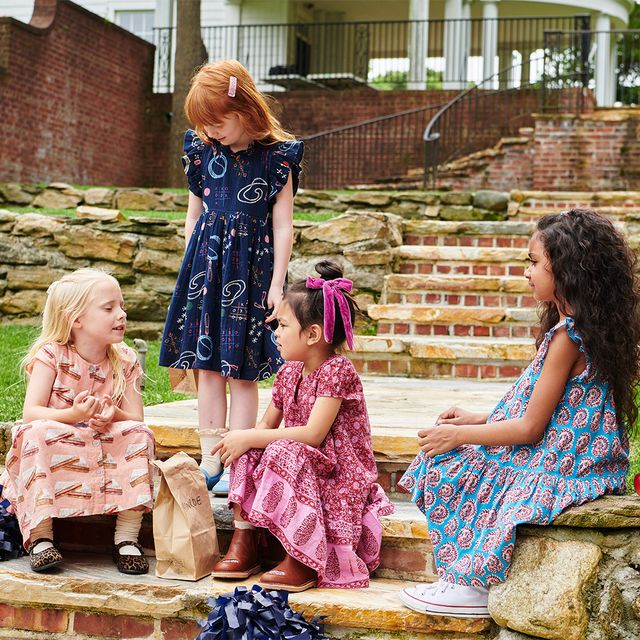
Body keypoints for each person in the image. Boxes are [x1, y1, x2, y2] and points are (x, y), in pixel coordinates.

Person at [399, 209, 639, 618]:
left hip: (566, 462)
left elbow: (530, 427)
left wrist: (458, 437)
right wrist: (478, 419)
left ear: (566, 268)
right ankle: (462, 573)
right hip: (568, 451)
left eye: (533, 262)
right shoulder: (583, 326)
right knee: (462, 458)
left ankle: (473, 584)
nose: (526, 272)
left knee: (452, 464)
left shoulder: (568, 337)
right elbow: (544, 407)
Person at [158, 59, 304, 494]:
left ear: (243, 110)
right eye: (203, 124)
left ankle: (238, 461)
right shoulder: (201, 151)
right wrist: (193, 270)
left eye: (217, 121)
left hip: (253, 272)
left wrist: (277, 284)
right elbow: (193, 215)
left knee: (241, 369)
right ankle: (210, 458)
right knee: (207, 370)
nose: (211, 131)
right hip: (208, 269)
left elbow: (282, 225)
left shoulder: (278, 158)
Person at [209, 261, 394, 591]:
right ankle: (245, 541)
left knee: (278, 446)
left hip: (339, 471)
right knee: (249, 445)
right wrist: (244, 439)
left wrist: (255, 436)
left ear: (312, 334)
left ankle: (304, 558)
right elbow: (267, 423)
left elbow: (313, 434)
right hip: (303, 463)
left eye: (282, 325)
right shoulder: (289, 372)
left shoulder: (337, 371)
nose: (275, 333)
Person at [0, 269, 155, 574]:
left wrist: (113, 415)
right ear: (77, 319)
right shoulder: (52, 355)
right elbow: (32, 412)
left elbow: (134, 417)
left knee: (138, 434)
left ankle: (126, 538)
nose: (121, 314)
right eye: (109, 308)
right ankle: (41, 537)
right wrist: (73, 416)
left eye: (121, 306)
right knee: (36, 433)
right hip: (62, 434)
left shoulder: (125, 359)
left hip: (101, 436)